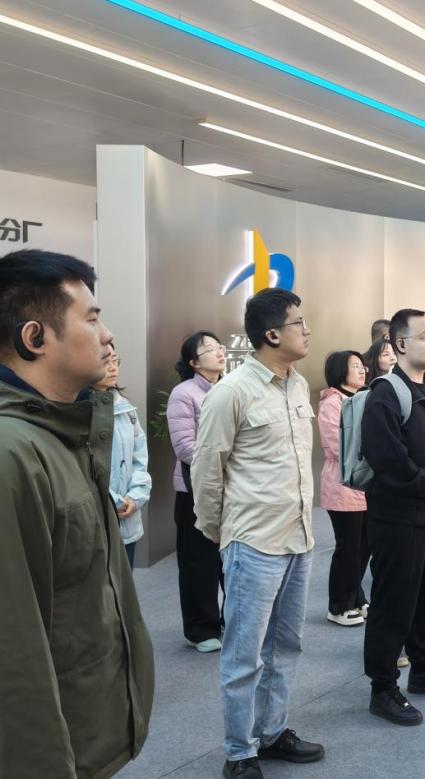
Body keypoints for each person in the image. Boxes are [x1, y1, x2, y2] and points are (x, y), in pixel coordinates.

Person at [0, 248, 154, 778]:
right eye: (91, 319)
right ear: (34, 337)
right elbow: (13, 646)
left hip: (87, 726)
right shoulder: (13, 453)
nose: (108, 336)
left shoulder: (64, 432)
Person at [193, 289, 324, 778]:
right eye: (298, 323)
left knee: (286, 646)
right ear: (271, 334)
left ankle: (271, 731)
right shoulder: (232, 391)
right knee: (244, 655)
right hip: (253, 542)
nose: (306, 330)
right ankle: (239, 752)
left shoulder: (298, 385)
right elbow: (207, 470)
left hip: (299, 537)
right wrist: (222, 532)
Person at [361, 309, 425, 726]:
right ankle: (383, 688)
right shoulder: (385, 393)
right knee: (393, 602)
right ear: (400, 344)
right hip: (397, 515)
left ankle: (422, 670)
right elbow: (387, 458)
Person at [167, 330, 226, 653]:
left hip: (230, 488)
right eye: (209, 349)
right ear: (193, 362)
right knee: (198, 563)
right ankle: (200, 630)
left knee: (230, 560)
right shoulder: (184, 393)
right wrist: (226, 460)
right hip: (195, 490)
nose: (219, 352)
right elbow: (185, 447)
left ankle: (230, 620)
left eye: (219, 347)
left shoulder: (228, 390)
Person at [319, 350, 369, 627]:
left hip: (365, 485)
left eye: (362, 366)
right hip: (343, 485)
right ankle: (338, 606)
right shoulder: (332, 403)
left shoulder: (363, 397)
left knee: (362, 548)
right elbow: (337, 446)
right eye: (355, 366)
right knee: (348, 548)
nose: (362, 370)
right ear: (340, 371)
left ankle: (356, 598)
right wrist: (374, 455)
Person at [94, 347, 151, 568]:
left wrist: (135, 498)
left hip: (127, 516)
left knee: (125, 581)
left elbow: (140, 459)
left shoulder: (126, 408)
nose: (113, 368)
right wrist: (115, 501)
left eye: (115, 361)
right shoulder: (75, 409)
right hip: (97, 517)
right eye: (105, 361)